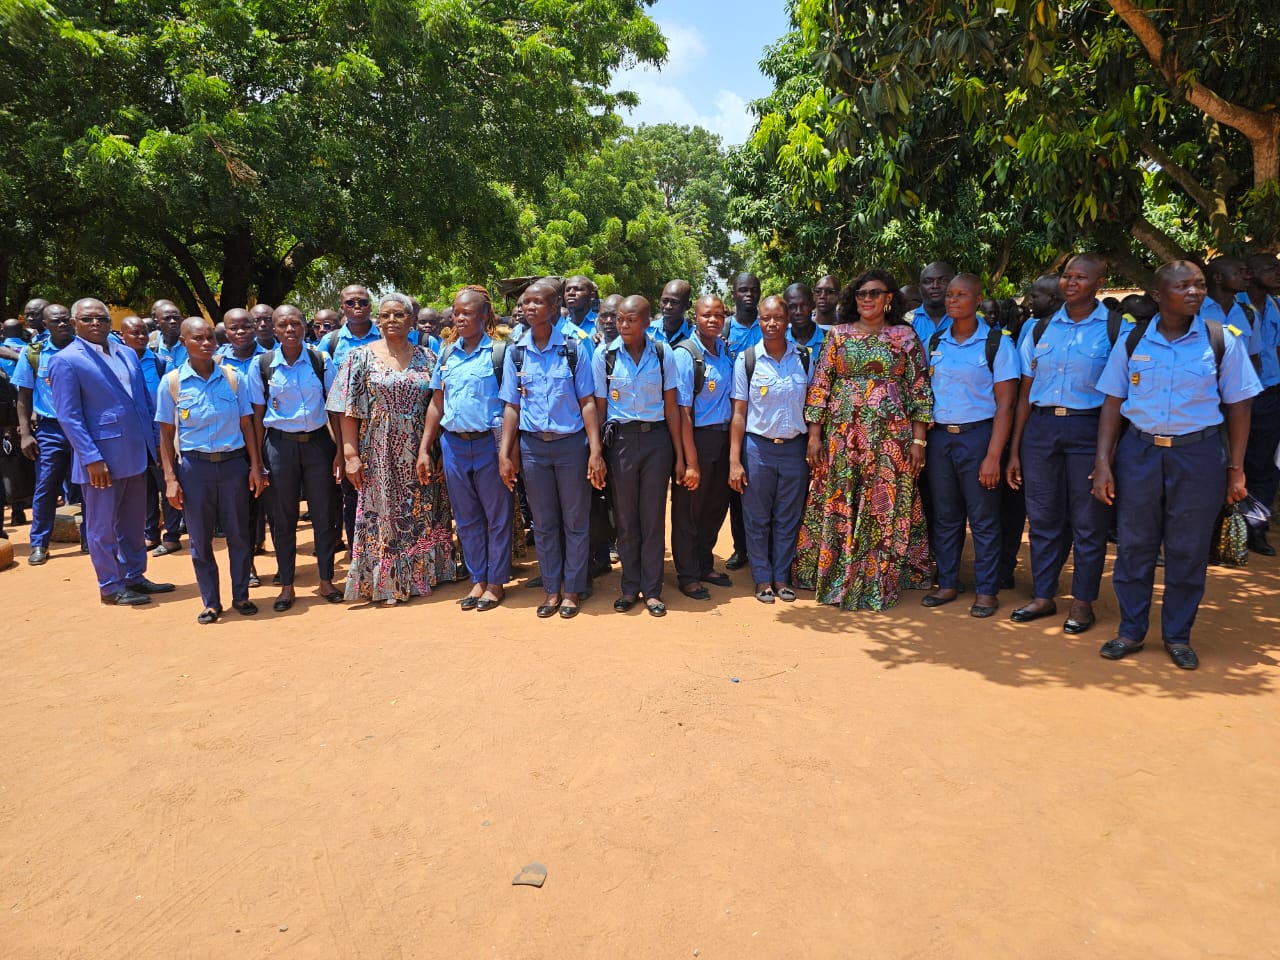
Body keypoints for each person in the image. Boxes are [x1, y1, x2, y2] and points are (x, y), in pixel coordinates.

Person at [1091, 261, 1261, 669]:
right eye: (1183, 286)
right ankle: (1131, 632)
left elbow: (1239, 407)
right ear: (1157, 295)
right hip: (1140, 452)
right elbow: (1113, 402)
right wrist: (1103, 462)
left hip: (1197, 455)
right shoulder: (1133, 341)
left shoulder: (1222, 340)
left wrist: (1235, 468)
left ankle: (1177, 636)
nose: (1194, 292)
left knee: (1187, 550)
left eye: (1199, 285)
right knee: (1134, 547)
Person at [794, 269, 933, 609]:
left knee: (884, 504)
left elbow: (919, 389)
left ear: (889, 299)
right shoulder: (838, 336)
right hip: (842, 438)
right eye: (861, 294)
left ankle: (878, 578)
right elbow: (821, 386)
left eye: (874, 293)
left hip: (892, 439)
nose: (867, 299)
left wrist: (919, 442)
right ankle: (836, 574)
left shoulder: (905, 336)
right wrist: (814, 436)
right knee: (840, 499)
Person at [1006, 253, 1116, 635]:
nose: (1071, 283)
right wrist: (1016, 449)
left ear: (1100, 282)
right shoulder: (1038, 328)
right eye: (1067, 276)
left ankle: (1083, 603)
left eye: (1081, 277)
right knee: (1043, 518)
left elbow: (1119, 399)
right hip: (1040, 430)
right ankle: (1043, 594)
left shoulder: (1115, 329)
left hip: (1089, 429)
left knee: (1087, 522)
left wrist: (1106, 457)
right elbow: (1024, 392)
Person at [326, 293, 454, 605]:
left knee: (422, 509)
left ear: (412, 321)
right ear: (378, 321)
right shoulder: (359, 357)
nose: (392, 320)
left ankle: (423, 575)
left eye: (399, 315)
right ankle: (386, 581)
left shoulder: (428, 357)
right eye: (385, 316)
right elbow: (346, 409)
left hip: (421, 448)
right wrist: (350, 455)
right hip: (377, 450)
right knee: (382, 514)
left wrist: (437, 450)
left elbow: (439, 405)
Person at [50, 298, 174, 604]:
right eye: (88, 319)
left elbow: (145, 403)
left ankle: (135, 575)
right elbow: (69, 415)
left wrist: (156, 443)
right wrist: (90, 457)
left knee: (133, 522)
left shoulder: (127, 353)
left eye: (102, 319)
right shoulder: (67, 360)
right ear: (76, 322)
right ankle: (110, 584)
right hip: (100, 460)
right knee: (102, 526)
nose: (96, 324)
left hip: (135, 451)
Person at [498, 280, 607, 619]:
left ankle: (572, 590)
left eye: (537, 302)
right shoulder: (516, 351)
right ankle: (550, 589)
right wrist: (506, 450)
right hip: (533, 449)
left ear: (554, 305)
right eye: (525, 303)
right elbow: (512, 407)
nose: (529, 308)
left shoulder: (575, 349)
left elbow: (588, 402)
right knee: (544, 523)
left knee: (575, 520)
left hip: (571, 446)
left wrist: (595, 450)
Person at [920, 274, 1019, 617]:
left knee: (983, 518)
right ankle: (947, 583)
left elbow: (1006, 404)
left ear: (978, 300)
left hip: (979, 437)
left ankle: (987, 591)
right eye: (950, 294)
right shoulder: (936, 342)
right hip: (941, 438)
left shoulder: (996, 344)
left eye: (961, 295)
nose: (953, 299)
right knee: (945, 515)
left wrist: (994, 455)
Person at [156, 318, 267, 623]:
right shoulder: (173, 382)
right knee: (200, 539)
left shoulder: (233, 379)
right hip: (194, 469)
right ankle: (211, 602)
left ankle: (241, 595)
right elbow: (165, 433)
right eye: (198, 339)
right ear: (183, 343)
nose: (206, 343)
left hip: (233, 465)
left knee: (239, 535)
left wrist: (256, 467)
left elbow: (247, 425)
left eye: (209, 338)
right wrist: (170, 479)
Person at [417, 288, 509, 610]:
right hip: (453, 445)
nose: (460, 318)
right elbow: (436, 404)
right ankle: (477, 580)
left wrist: (506, 452)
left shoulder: (500, 353)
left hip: (489, 444)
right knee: (466, 518)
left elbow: (512, 404)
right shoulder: (446, 354)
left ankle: (496, 582)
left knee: (496, 516)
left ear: (484, 317)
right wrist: (425, 448)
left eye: (468, 313)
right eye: (457, 312)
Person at [594, 295, 685, 617]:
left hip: (656, 440)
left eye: (631, 319)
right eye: (619, 319)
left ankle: (653, 590)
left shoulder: (663, 353)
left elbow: (672, 406)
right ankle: (630, 587)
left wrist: (679, 455)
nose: (623, 324)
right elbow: (600, 408)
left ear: (648, 322)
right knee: (626, 519)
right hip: (619, 442)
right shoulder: (603, 356)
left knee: (652, 516)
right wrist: (598, 454)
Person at [249, 304, 343, 610]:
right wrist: (257, 461)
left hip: (317, 444)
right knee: (282, 517)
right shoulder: (262, 365)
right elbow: (255, 415)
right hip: (279, 447)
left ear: (306, 327)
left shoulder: (320, 360)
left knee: (324, 514)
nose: (290, 329)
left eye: (296, 324)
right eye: (283, 325)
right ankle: (287, 585)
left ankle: (326, 580)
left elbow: (335, 409)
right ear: (273, 330)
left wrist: (341, 451)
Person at [729, 294, 815, 603]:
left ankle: (781, 577)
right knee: (756, 517)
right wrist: (734, 460)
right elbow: (739, 412)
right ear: (759, 321)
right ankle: (761, 578)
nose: (772, 324)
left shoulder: (804, 357)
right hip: (758, 450)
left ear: (788, 320)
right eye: (765, 318)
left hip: (794, 449)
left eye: (778, 317)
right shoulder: (747, 359)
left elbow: (813, 407)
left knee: (788, 516)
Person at [671, 295, 736, 599]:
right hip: (696, 438)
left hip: (723, 439)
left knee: (714, 506)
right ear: (694, 318)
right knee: (689, 511)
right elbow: (682, 410)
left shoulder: (724, 350)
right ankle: (687, 574)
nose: (713, 320)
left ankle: (704, 563)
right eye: (706, 315)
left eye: (719, 315)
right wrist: (690, 461)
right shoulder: (686, 355)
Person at [13, 304, 76, 566]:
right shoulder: (34, 353)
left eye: (65, 321)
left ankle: (88, 537)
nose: (62, 325)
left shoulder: (84, 349)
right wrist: (25, 433)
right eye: (56, 321)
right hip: (51, 429)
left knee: (88, 486)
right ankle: (39, 542)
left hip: (83, 428)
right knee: (46, 487)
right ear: (45, 324)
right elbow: (24, 395)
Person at [215, 308, 270, 582]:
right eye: (234, 328)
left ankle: (285, 567)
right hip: (235, 445)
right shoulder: (215, 362)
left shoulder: (271, 358)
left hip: (271, 443)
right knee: (241, 510)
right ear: (226, 331)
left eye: (246, 327)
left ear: (256, 327)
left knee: (275, 506)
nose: (241, 332)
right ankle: (247, 567)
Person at [119, 315, 182, 554]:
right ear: (122, 336)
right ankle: (150, 533)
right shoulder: (117, 363)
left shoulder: (159, 362)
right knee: (143, 489)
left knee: (167, 483)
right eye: (134, 333)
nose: (140, 337)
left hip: (157, 436)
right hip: (132, 438)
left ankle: (172, 535)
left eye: (144, 333)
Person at [1239, 253, 1280, 555]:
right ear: (1250, 273)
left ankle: (1256, 528)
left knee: (1265, 465)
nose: (1277, 273)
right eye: (1270, 268)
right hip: (1237, 396)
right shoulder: (1231, 304)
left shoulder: (1277, 305)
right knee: (1231, 461)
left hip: (1270, 393)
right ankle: (1224, 529)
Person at [723, 272, 762, 572]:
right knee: (734, 490)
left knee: (755, 488)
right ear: (733, 294)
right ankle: (740, 549)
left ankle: (761, 548)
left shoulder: (770, 327)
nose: (748, 294)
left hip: (759, 421)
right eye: (742, 290)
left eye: (753, 290)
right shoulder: (724, 328)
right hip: (725, 419)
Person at [911, 261, 956, 344]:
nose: (935, 286)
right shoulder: (906, 321)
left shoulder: (970, 321)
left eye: (943, 281)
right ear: (920, 288)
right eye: (928, 281)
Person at [785, 282, 825, 352]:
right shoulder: (779, 342)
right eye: (792, 307)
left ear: (813, 305)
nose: (799, 312)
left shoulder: (830, 339)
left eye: (804, 305)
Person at [650, 280, 693, 345]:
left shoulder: (696, 336)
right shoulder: (645, 331)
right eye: (665, 301)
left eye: (674, 302)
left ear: (688, 305)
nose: (668, 306)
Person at [149, 300, 187, 368]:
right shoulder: (151, 344)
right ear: (157, 322)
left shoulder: (192, 343)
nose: (173, 321)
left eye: (176, 318)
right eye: (167, 318)